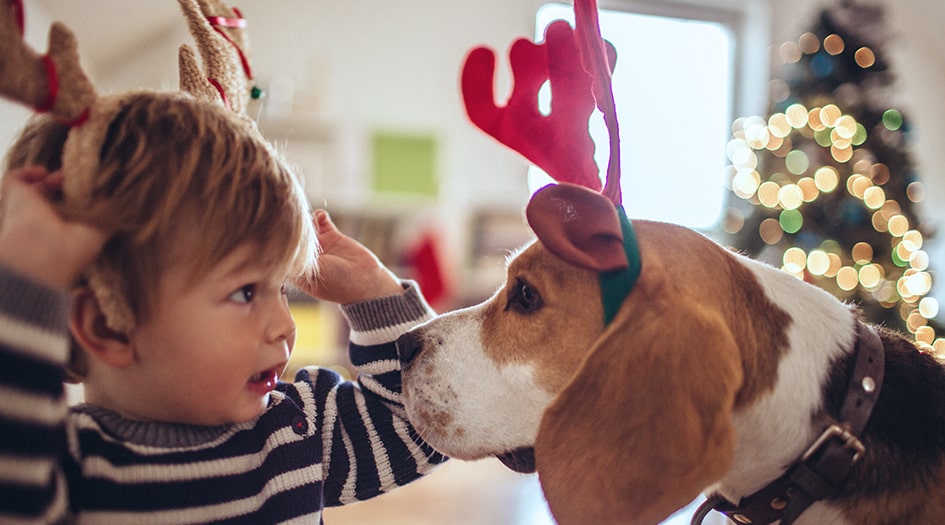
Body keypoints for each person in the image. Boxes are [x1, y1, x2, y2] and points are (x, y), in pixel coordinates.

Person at [0, 92, 446, 523]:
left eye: (283, 290)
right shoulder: (61, 473)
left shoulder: (296, 431)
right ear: (110, 327)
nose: (285, 327)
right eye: (245, 293)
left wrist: (374, 291)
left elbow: (425, 424)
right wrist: (27, 287)